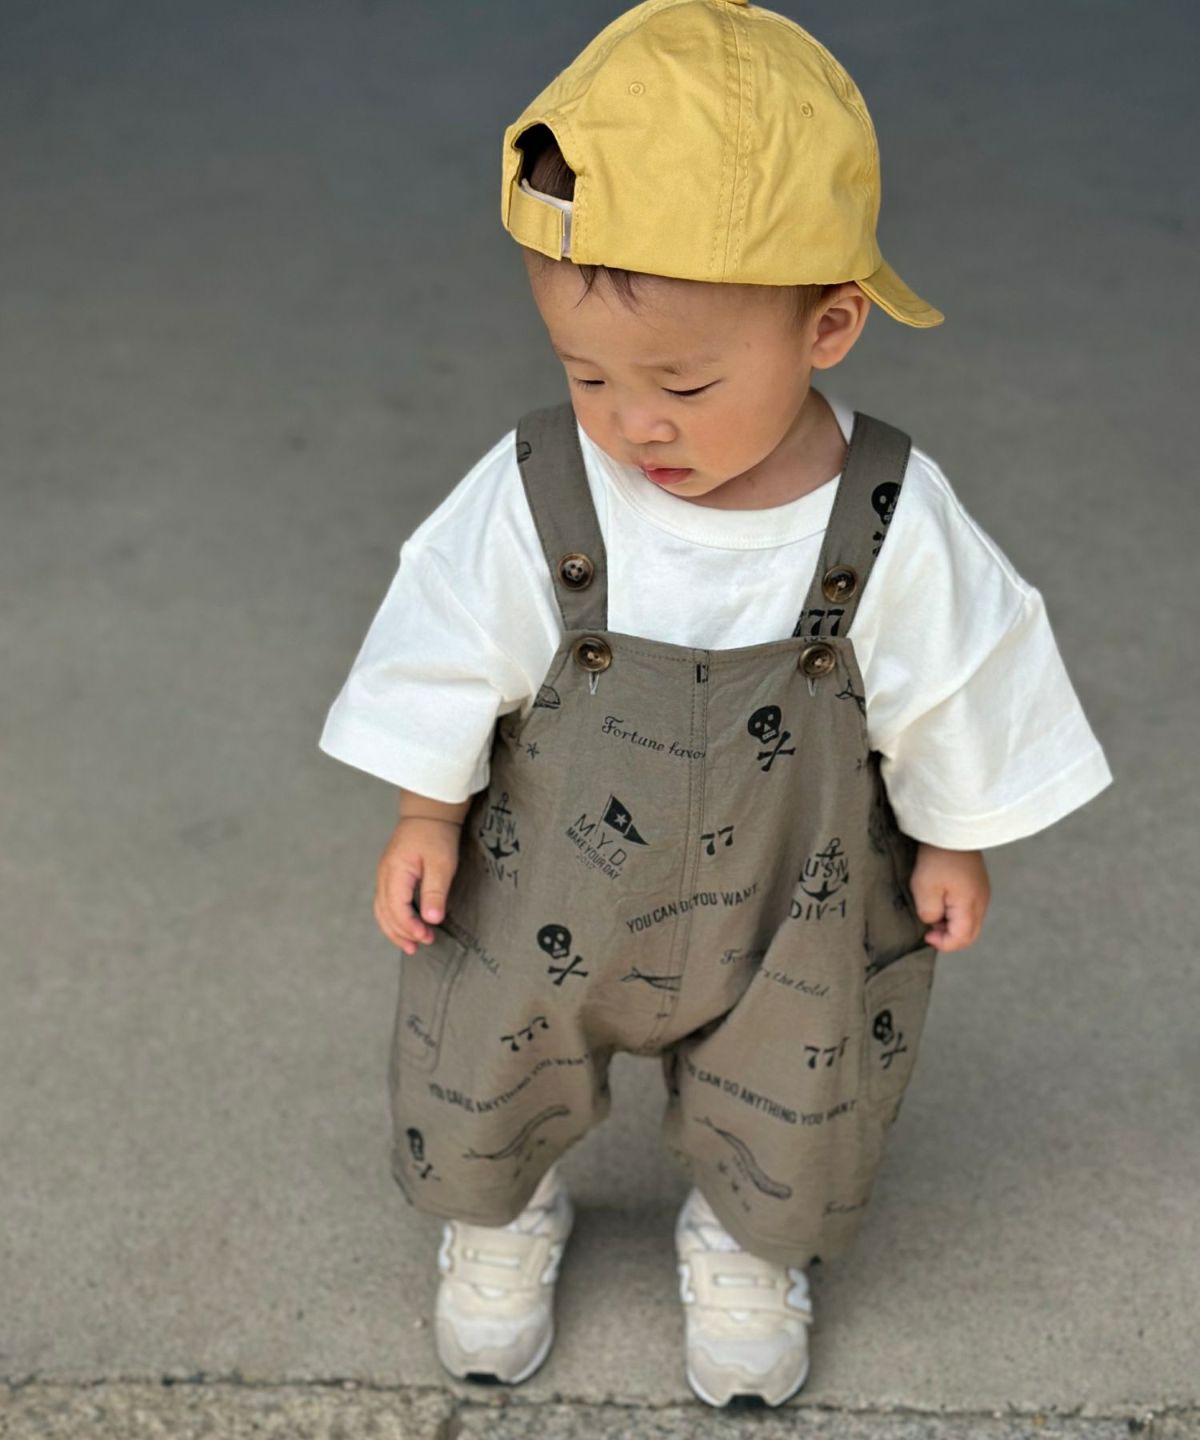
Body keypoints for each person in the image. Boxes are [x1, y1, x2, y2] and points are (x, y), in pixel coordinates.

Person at [318, 0, 1114, 1408]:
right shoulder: (542, 489)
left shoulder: (889, 515)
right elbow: (444, 637)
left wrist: (953, 834)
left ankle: (749, 1241)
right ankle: (501, 1214)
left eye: (684, 381)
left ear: (828, 325)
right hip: (550, 874)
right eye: (587, 374)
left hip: (795, 893)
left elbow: (961, 671)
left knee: (797, 1081)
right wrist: (425, 810)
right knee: (487, 1042)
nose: (635, 422)